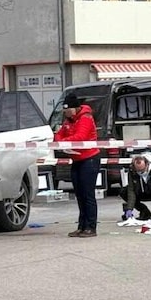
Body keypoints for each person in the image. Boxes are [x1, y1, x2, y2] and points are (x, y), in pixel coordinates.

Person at [54, 94, 100, 238]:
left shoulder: (85, 118)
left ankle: (91, 227)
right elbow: (57, 135)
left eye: (68, 110)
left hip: (89, 159)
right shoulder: (69, 120)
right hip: (77, 159)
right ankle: (81, 226)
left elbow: (81, 137)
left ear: (75, 108)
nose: (66, 113)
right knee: (79, 194)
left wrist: (64, 142)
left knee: (88, 194)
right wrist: (63, 141)